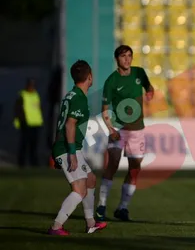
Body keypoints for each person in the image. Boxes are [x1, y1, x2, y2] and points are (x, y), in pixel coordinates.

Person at [95, 45, 154, 222]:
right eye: (123, 56)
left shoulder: (139, 73)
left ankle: (122, 208)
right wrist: (111, 130)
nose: (127, 59)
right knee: (112, 164)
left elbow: (149, 87)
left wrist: (150, 93)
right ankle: (102, 205)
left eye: (129, 56)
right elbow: (104, 110)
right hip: (119, 130)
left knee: (135, 168)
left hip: (137, 130)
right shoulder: (111, 81)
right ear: (117, 59)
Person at [48, 60, 107, 235]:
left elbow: (62, 124)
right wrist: (71, 154)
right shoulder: (79, 99)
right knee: (79, 190)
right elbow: (69, 125)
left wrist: (57, 149)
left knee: (90, 179)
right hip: (69, 149)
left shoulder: (70, 95)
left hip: (65, 147)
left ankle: (91, 223)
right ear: (90, 77)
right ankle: (56, 227)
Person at [14, 78, 44, 167]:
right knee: (24, 145)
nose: (32, 87)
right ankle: (21, 164)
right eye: (30, 85)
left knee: (34, 146)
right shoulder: (22, 95)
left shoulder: (36, 95)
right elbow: (17, 110)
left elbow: (38, 109)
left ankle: (34, 164)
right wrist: (19, 122)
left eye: (33, 85)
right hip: (26, 124)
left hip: (36, 124)